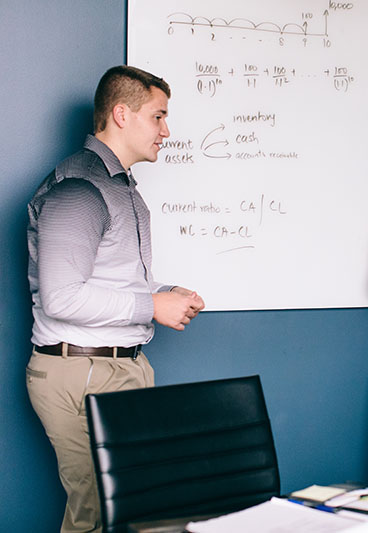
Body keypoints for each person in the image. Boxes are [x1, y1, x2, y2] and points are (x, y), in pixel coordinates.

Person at [25, 65, 205, 533]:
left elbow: (103, 280)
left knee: (130, 507)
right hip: (81, 371)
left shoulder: (120, 188)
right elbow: (62, 298)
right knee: (95, 510)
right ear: (121, 114)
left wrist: (164, 293)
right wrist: (151, 307)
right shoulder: (80, 189)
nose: (167, 131)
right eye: (158, 116)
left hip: (114, 367)